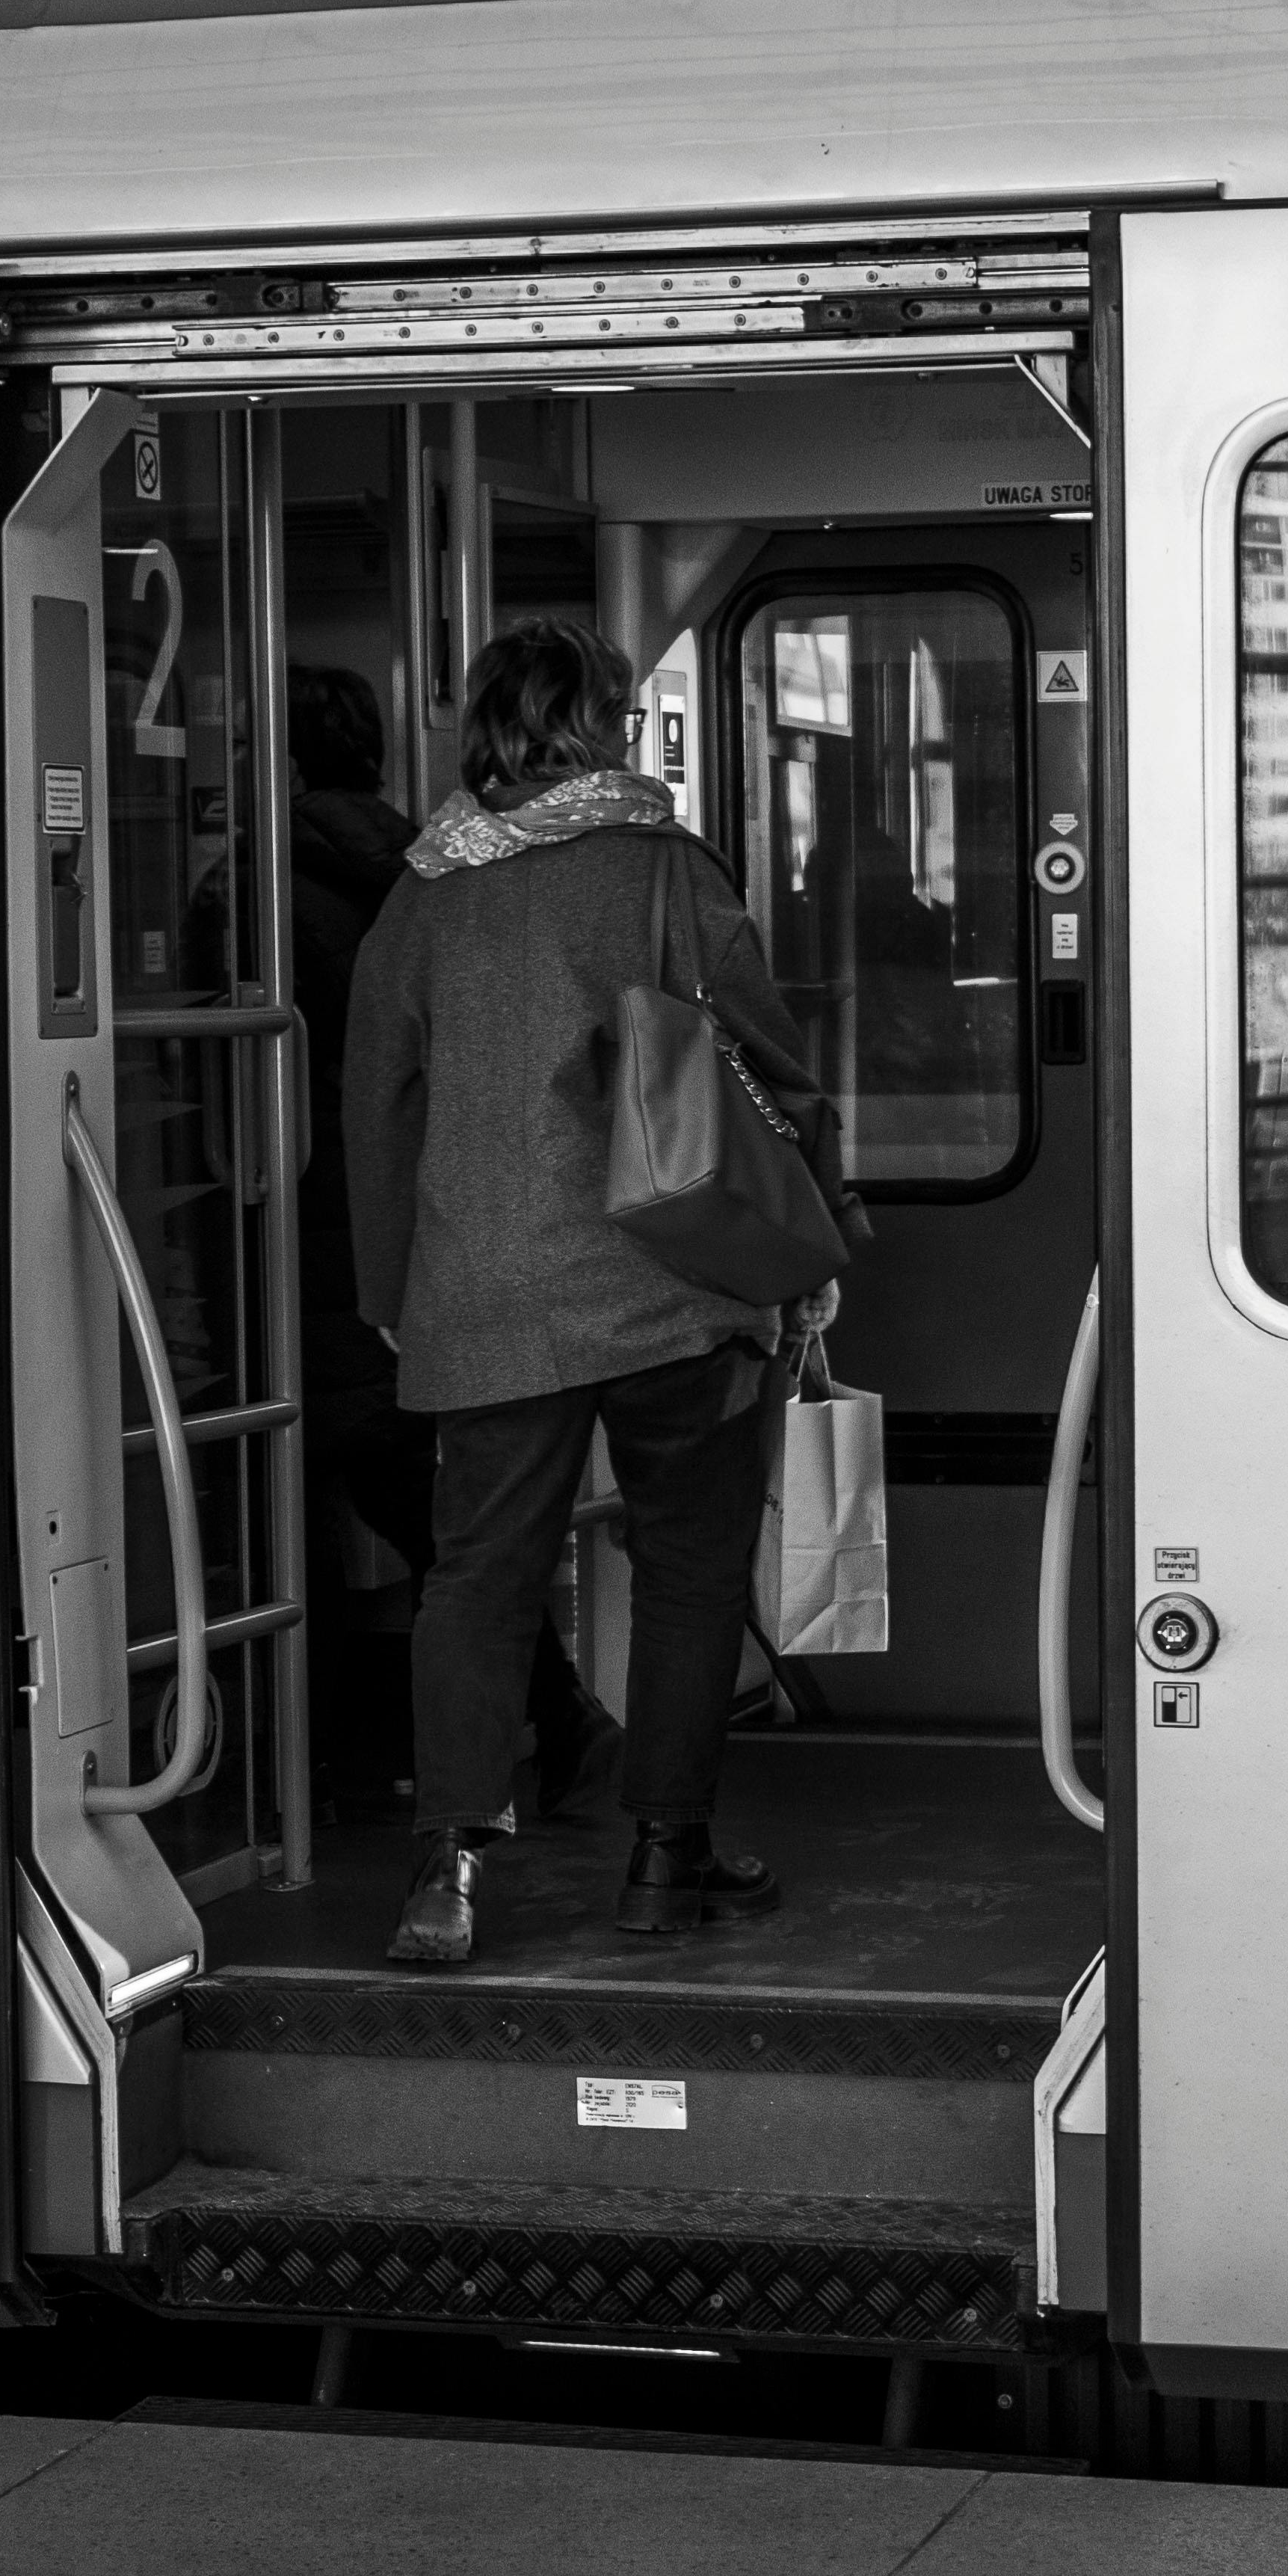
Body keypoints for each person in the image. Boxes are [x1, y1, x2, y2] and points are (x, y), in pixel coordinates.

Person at [344, 618, 839, 1966]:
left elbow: (376, 1103)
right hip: (675, 1278)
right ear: (606, 723)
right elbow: (763, 1056)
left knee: (478, 1578)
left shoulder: (424, 893)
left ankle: (443, 1870)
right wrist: (816, 1233)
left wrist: (394, 1282)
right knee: (687, 1570)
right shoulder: (663, 870)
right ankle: (667, 1860)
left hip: (487, 1288)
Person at [283, 665, 616, 1823]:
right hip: (447, 1231)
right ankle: (560, 1727)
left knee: (389, 1518)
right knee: (438, 1518)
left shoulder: (279, 892)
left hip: (313, 1226)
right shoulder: (430, 870)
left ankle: (343, 1767)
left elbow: (357, 1087)